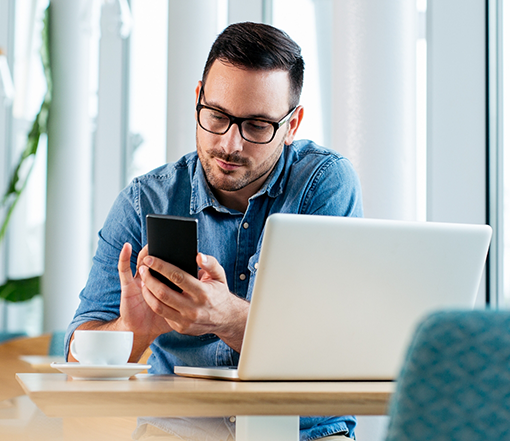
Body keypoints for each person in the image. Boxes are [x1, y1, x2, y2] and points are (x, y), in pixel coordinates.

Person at [66, 22, 363, 441]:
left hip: (305, 432)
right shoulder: (144, 200)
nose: (230, 145)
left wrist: (229, 318)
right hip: (178, 430)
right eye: (217, 117)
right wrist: (134, 331)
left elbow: (339, 349)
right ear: (197, 101)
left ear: (292, 125)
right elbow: (77, 370)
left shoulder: (323, 185)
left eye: (257, 126)